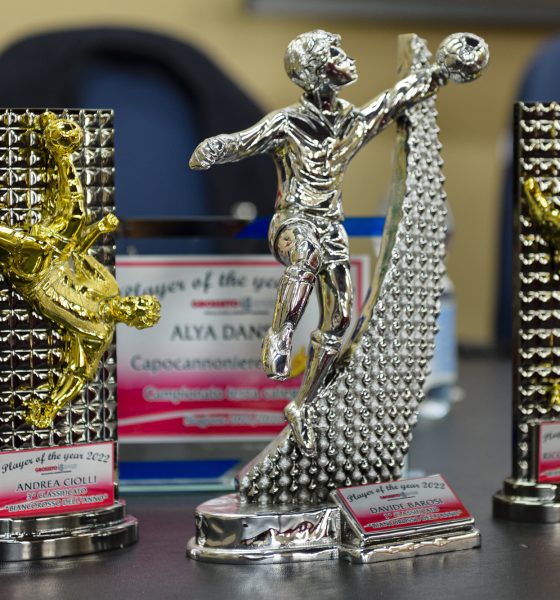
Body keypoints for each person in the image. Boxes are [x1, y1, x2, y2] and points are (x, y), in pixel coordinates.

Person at [189, 30, 459, 454]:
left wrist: (435, 75)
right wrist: (213, 148)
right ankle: (280, 335)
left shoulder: (350, 121)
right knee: (306, 256)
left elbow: (390, 103)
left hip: (332, 227)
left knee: (339, 320)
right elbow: (244, 142)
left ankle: (305, 404)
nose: (348, 59)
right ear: (316, 71)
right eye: (336, 53)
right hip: (292, 222)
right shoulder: (287, 123)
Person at [0, 112, 160, 428]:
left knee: (36, 247)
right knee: (76, 214)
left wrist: (53, 404)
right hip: (58, 258)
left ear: (132, 322)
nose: (133, 306)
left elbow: (78, 372)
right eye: (139, 302)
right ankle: (60, 150)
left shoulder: (97, 333)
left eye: (136, 313)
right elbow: (79, 254)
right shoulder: (108, 286)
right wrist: (97, 229)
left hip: (36, 280)